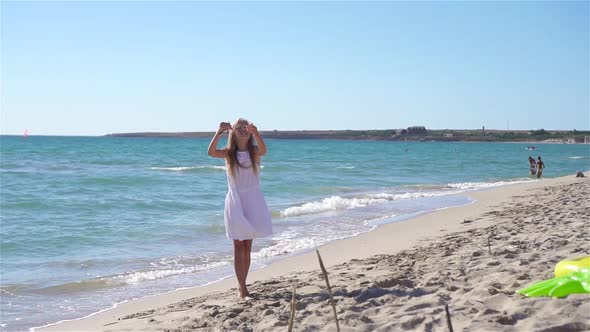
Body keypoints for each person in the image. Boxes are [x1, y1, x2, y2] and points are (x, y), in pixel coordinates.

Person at [207, 118, 272, 299]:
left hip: (253, 200)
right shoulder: (229, 153)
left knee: (248, 245)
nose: (243, 129)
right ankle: (242, 288)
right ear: (233, 131)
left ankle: (244, 286)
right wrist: (219, 132)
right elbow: (211, 152)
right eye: (239, 127)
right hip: (236, 200)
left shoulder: (253, 152)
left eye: (246, 127)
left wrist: (257, 133)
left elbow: (264, 150)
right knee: (238, 244)